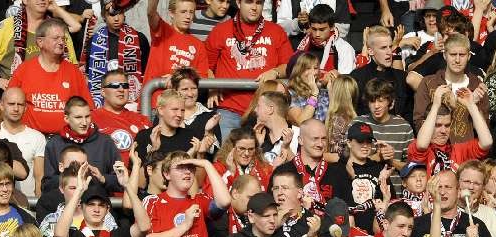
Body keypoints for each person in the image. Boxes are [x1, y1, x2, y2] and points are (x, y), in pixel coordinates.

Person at [205, 0, 294, 140]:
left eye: (258, 3)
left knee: (264, 161)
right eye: (249, 2)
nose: (254, 7)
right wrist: (211, 86)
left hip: (266, 112)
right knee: (226, 159)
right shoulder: (220, 30)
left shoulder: (276, 31)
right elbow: (205, 65)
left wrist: (275, 72)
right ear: (239, 3)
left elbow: (289, 66)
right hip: (229, 109)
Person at [144, 152, 231, 237]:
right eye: (180, 168)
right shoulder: (153, 201)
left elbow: (225, 201)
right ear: (167, 174)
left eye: (191, 168)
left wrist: (207, 165)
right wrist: (185, 225)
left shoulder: (200, 200)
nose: (187, 172)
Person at [7, 18, 94, 137]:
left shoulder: (73, 72)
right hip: (30, 139)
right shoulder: (24, 70)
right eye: (55, 38)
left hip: (65, 140)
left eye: (63, 39)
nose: (61, 42)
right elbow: (7, 105)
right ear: (40, 42)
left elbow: (89, 108)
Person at [0, 0, 80, 85]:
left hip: (55, 97)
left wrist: (56, 9)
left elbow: (73, 68)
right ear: (25, 0)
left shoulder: (58, 30)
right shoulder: (7, 27)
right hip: (18, 99)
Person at [408, 170, 494, 237]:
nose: (442, 192)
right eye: (439, 187)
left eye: (448, 187)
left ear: (458, 192)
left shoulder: (475, 225)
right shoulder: (417, 225)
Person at [407, 84, 492, 176]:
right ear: (425, 124)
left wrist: (471, 105)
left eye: (447, 125)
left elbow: (486, 142)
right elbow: (422, 145)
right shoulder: (415, 147)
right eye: (438, 125)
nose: (443, 131)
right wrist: (435, 106)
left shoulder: (459, 150)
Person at [42, 97, 121, 193]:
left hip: (96, 205)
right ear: (66, 118)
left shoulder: (105, 142)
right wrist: (69, 176)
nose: (84, 122)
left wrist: (103, 178)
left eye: (87, 116)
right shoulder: (54, 144)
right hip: (65, 204)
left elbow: (121, 182)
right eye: (78, 117)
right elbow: (46, 185)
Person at [82, 1, 149, 109]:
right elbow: (88, 76)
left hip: (132, 100)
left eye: (119, 13)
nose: (117, 18)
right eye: (112, 14)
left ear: (124, 14)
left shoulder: (139, 39)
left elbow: (146, 71)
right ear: (104, 17)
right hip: (103, 100)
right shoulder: (94, 42)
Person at [145, 0, 209, 108]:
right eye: (183, 12)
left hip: (182, 108)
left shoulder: (198, 45)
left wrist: (177, 78)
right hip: (155, 105)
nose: (188, 16)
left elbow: (201, 78)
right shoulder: (162, 30)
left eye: (191, 12)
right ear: (171, 13)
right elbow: (151, 12)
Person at [351, 25, 412, 123]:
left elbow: (409, 112)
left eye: (390, 47)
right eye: (383, 48)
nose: (389, 52)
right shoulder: (357, 77)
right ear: (370, 51)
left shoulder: (401, 77)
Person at [91, 69, 151, 165]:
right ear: (103, 92)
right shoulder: (90, 119)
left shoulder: (142, 120)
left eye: (125, 86)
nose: (121, 89)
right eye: (115, 86)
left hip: (137, 176)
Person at [353, 79, 414, 168]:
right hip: (363, 181)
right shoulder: (357, 124)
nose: (376, 106)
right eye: (372, 101)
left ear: (390, 101)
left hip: (394, 181)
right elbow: (348, 163)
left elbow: (412, 169)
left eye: (381, 101)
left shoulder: (404, 127)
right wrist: (376, 157)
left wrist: (390, 161)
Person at [0, 87, 46, 197]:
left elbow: (39, 178)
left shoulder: (37, 137)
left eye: (20, 104)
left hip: (28, 203)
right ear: (1, 105)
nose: (16, 109)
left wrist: (37, 206)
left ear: (25, 108)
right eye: (11, 104)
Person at [294, 5, 356, 77]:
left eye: (322, 30)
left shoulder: (344, 49)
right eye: (314, 29)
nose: (317, 34)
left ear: (332, 27)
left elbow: (345, 83)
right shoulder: (304, 44)